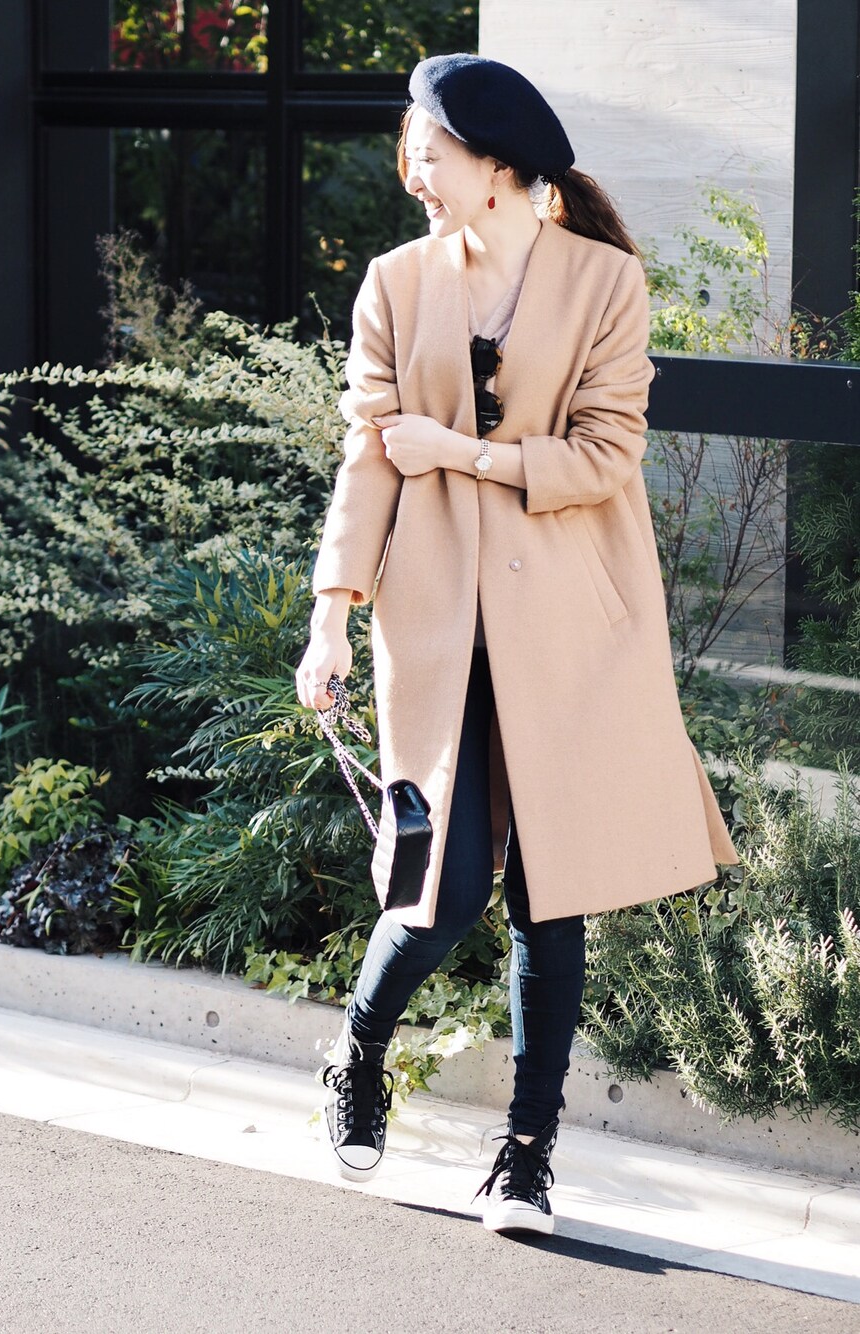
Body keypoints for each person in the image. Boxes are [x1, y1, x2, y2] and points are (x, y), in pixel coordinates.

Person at [295, 53, 739, 1236]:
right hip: (437, 624)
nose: (413, 172)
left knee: (554, 899)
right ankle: (356, 1050)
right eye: (411, 150)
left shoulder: (604, 283)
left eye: (429, 152)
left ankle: (526, 1159)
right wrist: (330, 613)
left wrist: (461, 452)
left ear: (495, 167)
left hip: (575, 630)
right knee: (436, 890)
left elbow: (606, 454)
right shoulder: (394, 283)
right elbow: (366, 458)